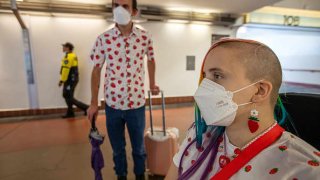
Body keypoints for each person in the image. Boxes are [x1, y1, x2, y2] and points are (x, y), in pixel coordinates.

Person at [165, 38, 320, 179]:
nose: (202, 89)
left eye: (217, 76)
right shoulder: (198, 135)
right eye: (205, 76)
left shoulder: (304, 170)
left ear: (260, 91)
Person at [87, 0, 160, 179]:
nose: (119, 9)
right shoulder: (103, 39)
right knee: (118, 150)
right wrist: (93, 103)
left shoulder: (145, 37)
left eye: (125, 6)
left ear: (134, 11)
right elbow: (96, 69)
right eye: (115, 5)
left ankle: (140, 175)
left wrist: (152, 84)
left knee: (139, 149)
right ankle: (121, 176)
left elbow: (151, 60)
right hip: (113, 105)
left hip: (136, 104)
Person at [59, 42, 89, 118]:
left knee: (67, 95)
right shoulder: (72, 55)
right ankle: (70, 113)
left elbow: (66, 69)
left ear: (68, 48)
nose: (63, 48)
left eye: (64, 47)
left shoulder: (69, 57)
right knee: (68, 96)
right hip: (72, 78)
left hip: (70, 79)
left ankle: (86, 108)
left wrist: (62, 80)